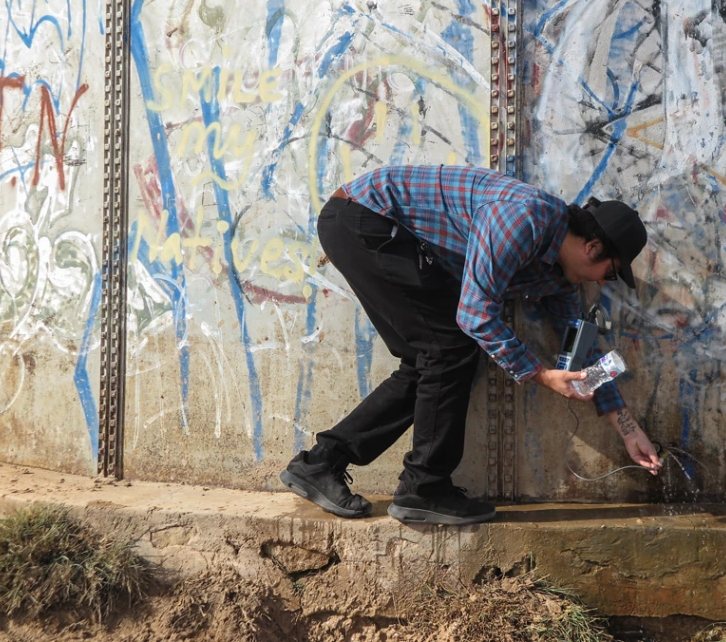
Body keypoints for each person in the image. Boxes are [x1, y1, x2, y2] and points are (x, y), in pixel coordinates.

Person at [280, 164, 662, 525]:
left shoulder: (559, 278)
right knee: (447, 350)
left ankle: (322, 464)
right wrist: (542, 375)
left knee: (432, 359)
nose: (603, 283)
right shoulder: (523, 220)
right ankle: (423, 488)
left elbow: (582, 346)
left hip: (389, 235)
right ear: (592, 248)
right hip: (366, 219)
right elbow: (474, 315)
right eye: (610, 273)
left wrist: (627, 427)